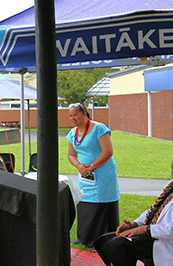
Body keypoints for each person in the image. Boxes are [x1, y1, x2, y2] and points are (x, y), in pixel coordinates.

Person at [94, 148, 173, 266]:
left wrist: (146, 230)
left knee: (117, 245)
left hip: (168, 242)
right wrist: (135, 225)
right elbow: (155, 210)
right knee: (103, 240)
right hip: (153, 235)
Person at [67, 102, 120, 247]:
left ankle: (100, 238)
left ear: (84, 114)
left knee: (100, 203)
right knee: (84, 202)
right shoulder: (73, 133)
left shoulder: (99, 128)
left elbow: (108, 151)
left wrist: (91, 167)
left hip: (102, 173)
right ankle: (85, 236)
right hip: (84, 174)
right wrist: (79, 166)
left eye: (75, 115)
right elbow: (71, 155)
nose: (72, 118)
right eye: (70, 116)